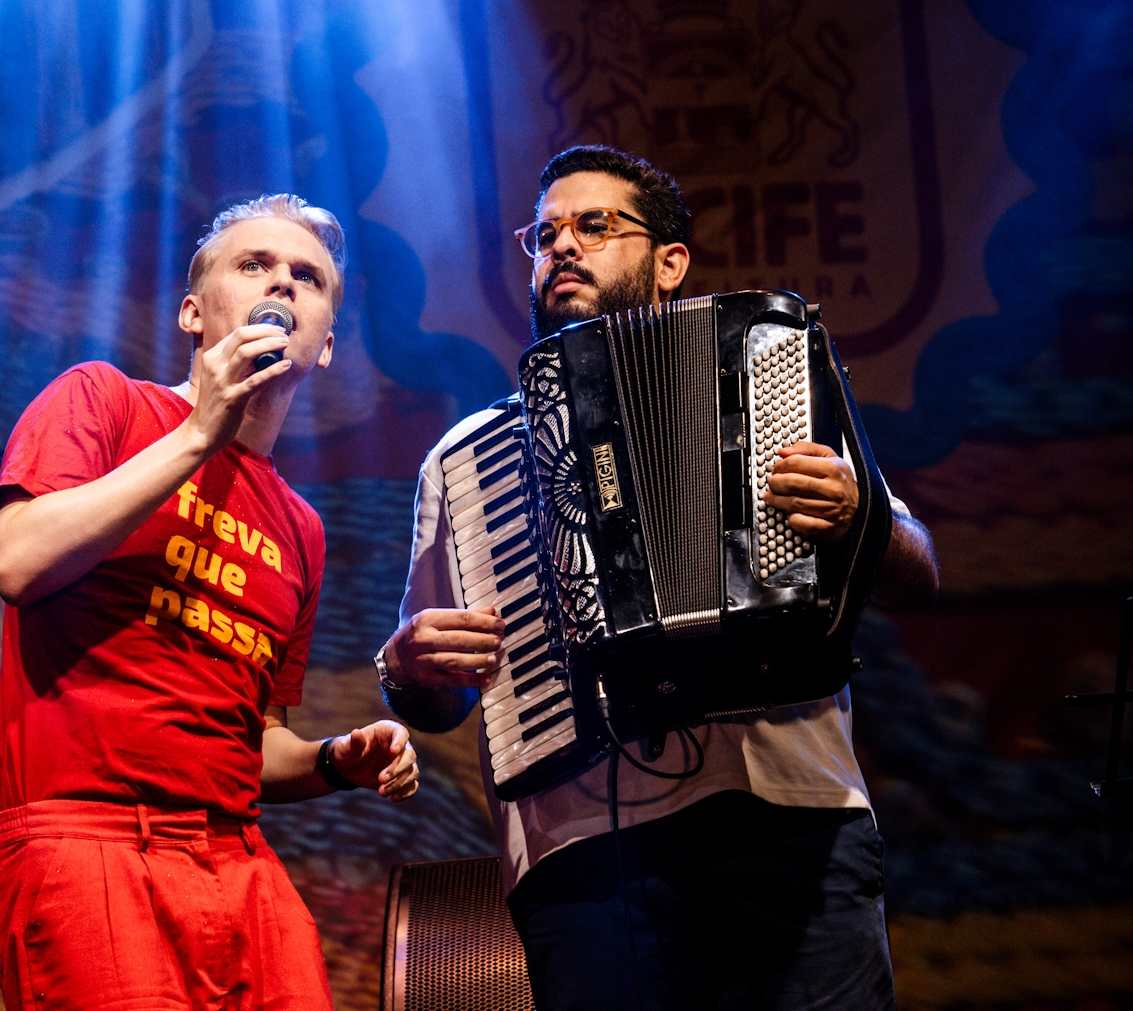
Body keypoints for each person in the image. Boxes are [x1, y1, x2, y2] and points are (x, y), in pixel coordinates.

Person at [377, 145, 939, 1011]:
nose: (562, 246)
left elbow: (916, 575)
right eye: (544, 233)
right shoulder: (466, 463)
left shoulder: (767, 375)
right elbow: (438, 697)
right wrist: (408, 671)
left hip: (787, 814)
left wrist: (858, 514)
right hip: (582, 863)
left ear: (670, 262)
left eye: (595, 225)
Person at [0, 194, 420, 1011]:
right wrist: (197, 434)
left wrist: (334, 761)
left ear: (326, 345)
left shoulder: (300, 527)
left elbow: (254, 742)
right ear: (193, 311)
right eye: (255, 265)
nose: (283, 285)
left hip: (236, 855)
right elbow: (16, 560)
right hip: (88, 837)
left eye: (308, 278)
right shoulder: (104, 402)